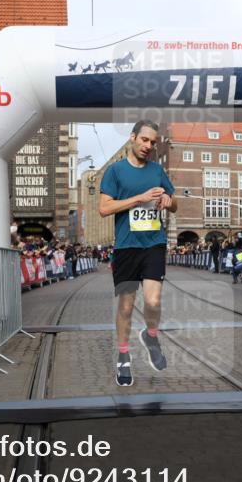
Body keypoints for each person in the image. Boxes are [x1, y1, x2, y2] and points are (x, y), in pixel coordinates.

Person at [98, 120, 176, 387]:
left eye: (153, 142)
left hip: (154, 243)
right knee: (127, 306)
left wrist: (168, 200)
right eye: (144, 140)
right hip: (126, 247)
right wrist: (139, 198)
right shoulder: (115, 171)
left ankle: (151, 335)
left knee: (153, 302)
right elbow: (104, 209)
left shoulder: (157, 171)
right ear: (133, 138)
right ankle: (123, 355)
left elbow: (174, 202)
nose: (148, 146)